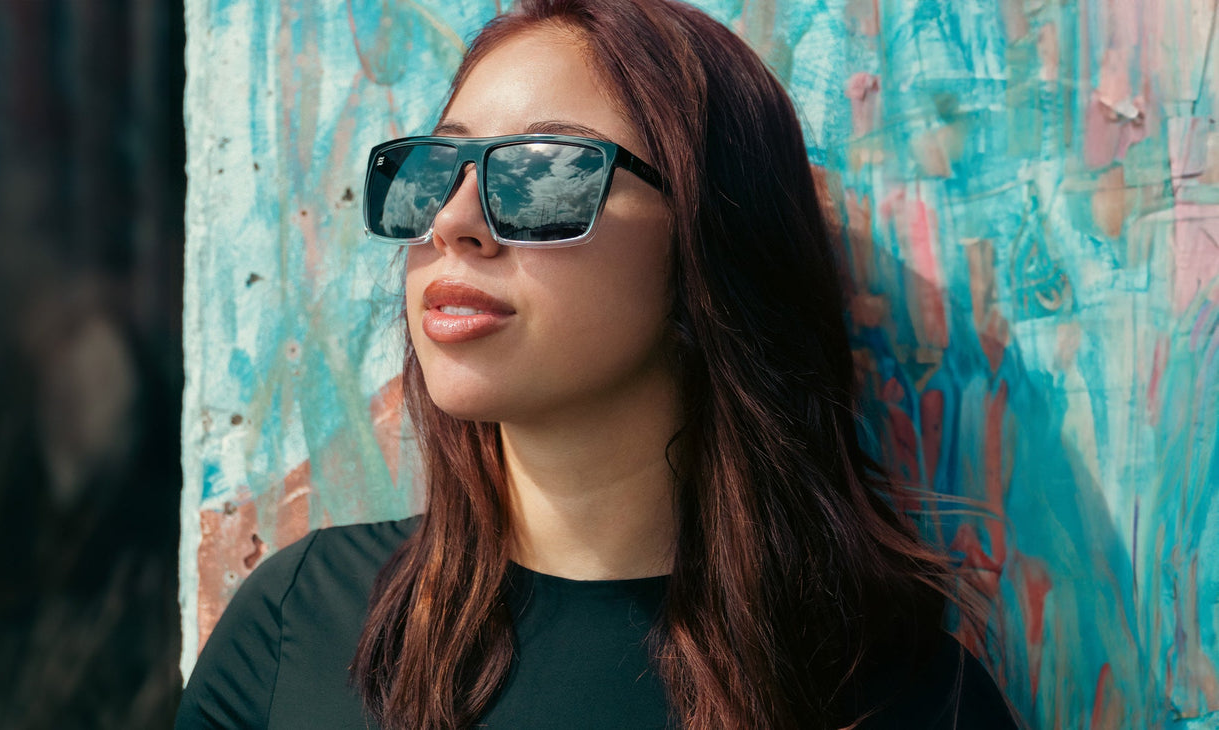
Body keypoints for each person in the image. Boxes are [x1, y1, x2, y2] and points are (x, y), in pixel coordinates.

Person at [177, 0, 1023, 728]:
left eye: (541, 175)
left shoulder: (903, 700)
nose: (453, 221)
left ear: (706, 246)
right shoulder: (299, 623)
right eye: (432, 171)